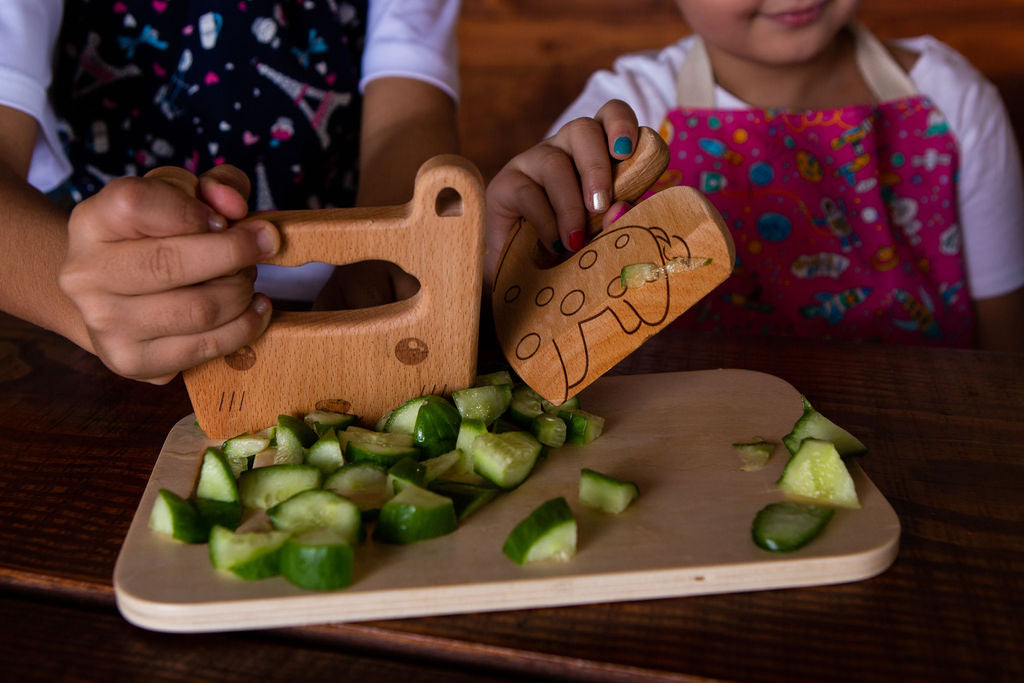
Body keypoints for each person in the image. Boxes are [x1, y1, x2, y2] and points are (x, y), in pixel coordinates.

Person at [485, 1, 1024, 351]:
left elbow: (1003, 350)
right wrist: (508, 257)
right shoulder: (629, 112)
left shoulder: (952, 101)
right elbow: (536, 329)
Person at [0, 0, 461, 383]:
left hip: (346, 303)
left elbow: (409, 114)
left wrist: (382, 256)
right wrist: (94, 307)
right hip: (93, 335)